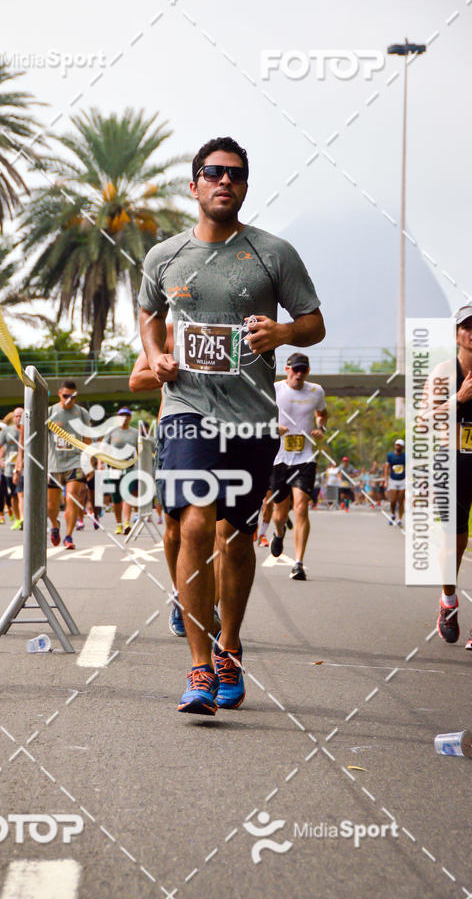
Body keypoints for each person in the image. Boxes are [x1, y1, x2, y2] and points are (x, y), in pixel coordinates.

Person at [139, 136, 325, 714]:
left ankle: (230, 647)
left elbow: (314, 322)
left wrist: (283, 333)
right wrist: (157, 356)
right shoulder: (165, 255)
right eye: (214, 172)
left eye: (236, 175)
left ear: (245, 187)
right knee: (195, 523)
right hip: (187, 410)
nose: (226, 182)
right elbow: (148, 313)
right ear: (194, 184)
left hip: (250, 419)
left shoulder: (273, 253)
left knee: (237, 538)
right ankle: (199, 667)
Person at [266, 353, 327, 580]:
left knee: (301, 508)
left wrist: (321, 428)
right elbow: (260, 414)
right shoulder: (275, 389)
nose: (299, 374)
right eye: (295, 369)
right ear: (287, 369)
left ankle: (298, 563)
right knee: (279, 514)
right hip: (279, 458)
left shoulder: (316, 391)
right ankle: (278, 532)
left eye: (303, 370)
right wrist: (273, 427)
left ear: (308, 371)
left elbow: (322, 413)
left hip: (305, 458)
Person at [436, 305, 472, 648]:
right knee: (453, 545)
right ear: (457, 334)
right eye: (467, 327)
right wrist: (458, 399)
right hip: (452, 463)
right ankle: (448, 601)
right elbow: (424, 420)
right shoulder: (444, 372)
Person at [47, 380, 90, 550]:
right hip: (54, 463)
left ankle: (69, 535)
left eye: (72, 396)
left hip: (75, 461)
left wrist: (89, 463)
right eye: (65, 396)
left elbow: (87, 440)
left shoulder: (82, 413)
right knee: (51, 505)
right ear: (59, 394)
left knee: (71, 497)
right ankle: (55, 525)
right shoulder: (50, 412)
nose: (69, 400)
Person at [102, 408, 139, 535]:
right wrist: (102, 463)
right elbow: (103, 448)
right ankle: (119, 524)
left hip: (129, 467)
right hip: (113, 468)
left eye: (127, 415)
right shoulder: (111, 432)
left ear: (130, 418)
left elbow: (139, 450)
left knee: (127, 494)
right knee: (116, 498)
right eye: (122, 415)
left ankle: (127, 523)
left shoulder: (135, 433)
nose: (124, 418)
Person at [0, 407, 23, 527]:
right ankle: (18, 518)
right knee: (14, 494)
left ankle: (24, 517)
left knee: (23, 493)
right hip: (10, 467)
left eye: (20, 416)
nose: (18, 418)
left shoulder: (30, 430)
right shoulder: (7, 431)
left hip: (26, 466)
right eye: (16, 416)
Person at [384, 438, 406, 526]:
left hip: (402, 480)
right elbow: (386, 467)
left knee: (401, 500)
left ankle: (400, 519)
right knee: (393, 500)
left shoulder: (405, 456)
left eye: (399, 445)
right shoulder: (390, 456)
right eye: (396, 445)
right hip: (393, 480)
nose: (397, 447)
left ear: (402, 447)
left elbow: (408, 467)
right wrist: (386, 480)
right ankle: (393, 514)